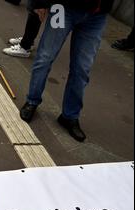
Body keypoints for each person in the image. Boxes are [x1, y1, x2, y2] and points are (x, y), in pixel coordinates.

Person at [20, 0, 115, 142]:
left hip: (96, 15)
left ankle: (70, 116)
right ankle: (32, 101)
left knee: (82, 68)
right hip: (63, 8)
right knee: (45, 58)